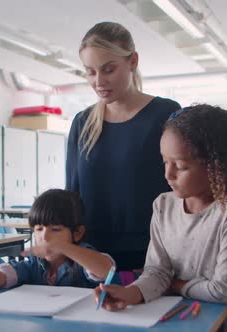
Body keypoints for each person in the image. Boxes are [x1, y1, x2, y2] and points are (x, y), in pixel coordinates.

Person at [95, 104, 227, 332]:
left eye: (181, 166)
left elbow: (225, 291)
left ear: (216, 166)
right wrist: (130, 293)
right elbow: (156, 271)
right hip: (190, 315)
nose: (168, 174)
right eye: (165, 161)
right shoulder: (163, 205)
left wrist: (175, 284)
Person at [67, 22, 181, 277]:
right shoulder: (82, 123)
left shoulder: (165, 113)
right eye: (90, 72)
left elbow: (183, 186)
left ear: (132, 61)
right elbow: (72, 193)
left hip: (154, 256)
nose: (99, 81)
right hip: (93, 259)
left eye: (108, 70)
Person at [0, 189, 116, 290]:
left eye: (56, 230)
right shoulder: (33, 264)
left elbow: (105, 269)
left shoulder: (83, 258)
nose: (44, 236)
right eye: (38, 229)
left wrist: (63, 246)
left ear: (77, 233)